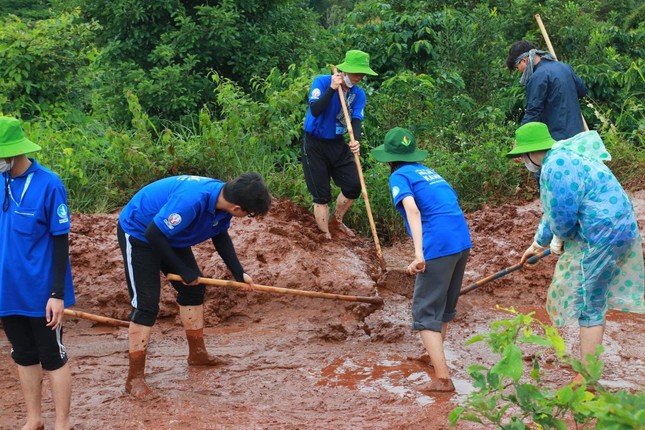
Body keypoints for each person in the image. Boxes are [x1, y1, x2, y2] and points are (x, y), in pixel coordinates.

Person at [509, 122, 644, 384]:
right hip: (617, 229)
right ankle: (588, 370)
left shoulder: (555, 166)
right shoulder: (564, 155)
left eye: (521, 157)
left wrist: (560, 236)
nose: (523, 163)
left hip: (601, 235)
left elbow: (562, 216)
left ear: (528, 153)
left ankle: (587, 377)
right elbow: (555, 208)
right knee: (592, 299)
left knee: (589, 305)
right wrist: (539, 243)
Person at [117, 172, 271, 398]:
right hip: (140, 233)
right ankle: (134, 379)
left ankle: (197, 354)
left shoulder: (223, 199)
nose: (246, 216)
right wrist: (183, 268)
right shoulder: (192, 201)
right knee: (146, 306)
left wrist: (239, 272)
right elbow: (153, 234)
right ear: (237, 208)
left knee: (194, 289)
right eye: (248, 214)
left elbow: (220, 234)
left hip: (168, 234)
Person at [371, 128, 472, 392]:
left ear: (389, 159)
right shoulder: (430, 173)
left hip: (438, 244)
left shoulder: (399, 175)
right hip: (461, 241)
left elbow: (413, 209)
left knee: (425, 311)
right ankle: (433, 355)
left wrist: (419, 254)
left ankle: (442, 379)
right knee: (444, 307)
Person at [0, 116, 75, 430]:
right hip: (7, 291)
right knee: (22, 355)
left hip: (42, 293)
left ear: (13, 153)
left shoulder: (48, 183)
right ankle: (34, 419)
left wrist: (57, 295)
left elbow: (60, 243)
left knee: (52, 356)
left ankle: (63, 422)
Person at [302, 49, 378, 239]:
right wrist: (332, 89)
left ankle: (336, 221)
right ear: (344, 70)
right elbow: (316, 109)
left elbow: (356, 119)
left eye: (362, 74)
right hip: (314, 144)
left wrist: (356, 140)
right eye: (356, 73)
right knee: (322, 195)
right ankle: (325, 236)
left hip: (337, 143)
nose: (359, 77)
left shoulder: (358, 94)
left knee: (354, 185)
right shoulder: (322, 82)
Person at [506, 40, 588, 141]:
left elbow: (533, 112)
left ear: (524, 60)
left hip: (556, 138)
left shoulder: (538, 77)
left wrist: (519, 139)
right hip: (578, 134)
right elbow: (582, 90)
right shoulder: (564, 67)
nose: (520, 71)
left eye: (517, 67)